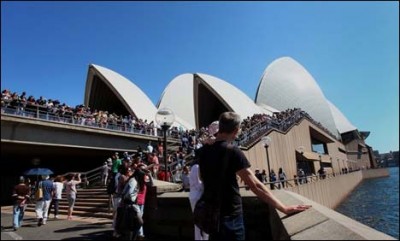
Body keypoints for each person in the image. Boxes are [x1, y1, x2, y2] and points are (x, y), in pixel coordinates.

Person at [196, 112, 311, 240]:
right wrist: (283, 207)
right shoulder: (232, 151)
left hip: (211, 217)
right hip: (230, 217)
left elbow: (201, 177)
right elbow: (255, 185)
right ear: (236, 130)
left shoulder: (203, 150)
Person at [189, 162, 209, 240]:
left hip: (192, 195)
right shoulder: (197, 167)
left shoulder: (193, 167)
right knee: (203, 221)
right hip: (198, 195)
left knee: (197, 222)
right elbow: (199, 185)